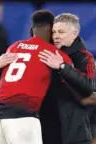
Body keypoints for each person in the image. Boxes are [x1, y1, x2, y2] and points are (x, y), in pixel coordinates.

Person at [0, 10, 72, 144]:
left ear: (32, 28)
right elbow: (74, 81)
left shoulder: (14, 47)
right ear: (51, 30)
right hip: (23, 120)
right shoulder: (54, 53)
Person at [39, 13, 96, 144]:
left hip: (74, 134)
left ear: (74, 33)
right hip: (47, 130)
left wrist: (62, 67)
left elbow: (88, 86)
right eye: (54, 32)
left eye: (61, 32)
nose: (56, 36)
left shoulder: (84, 57)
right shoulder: (47, 54)